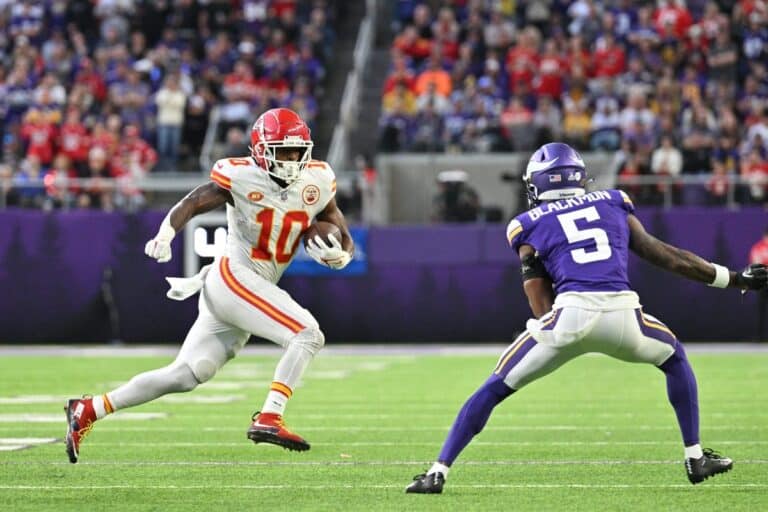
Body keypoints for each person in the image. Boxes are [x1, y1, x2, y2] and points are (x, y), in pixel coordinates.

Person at [406, 142, 768, 494]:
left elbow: (539, 304)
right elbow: (666, 255)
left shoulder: (525, 224)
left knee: (495, 386)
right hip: (625, 316)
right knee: (674, 358)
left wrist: (556, 337)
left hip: (570, 315)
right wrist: (732, 278)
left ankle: (438, 472)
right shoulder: (613, 201)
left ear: (539, 183)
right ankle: (695, 457)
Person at [64, 108, 355, 463]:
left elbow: (336, 224)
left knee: (188, 374)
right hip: (234, 277)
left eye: (297, 151)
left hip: (246, 288)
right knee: (308, 334)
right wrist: (166, 233)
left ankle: (89, 409)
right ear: (262, 150)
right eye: (282, 151)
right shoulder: (242, 176)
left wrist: (345, 254)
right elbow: (194, 201)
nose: (292, 159)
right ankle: (270, 416)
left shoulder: (319, 179)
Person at [749, 226, 768, 342]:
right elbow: (755, 264)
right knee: (761, 311)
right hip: (762, 283)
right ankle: (760, 336)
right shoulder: (758, 248)